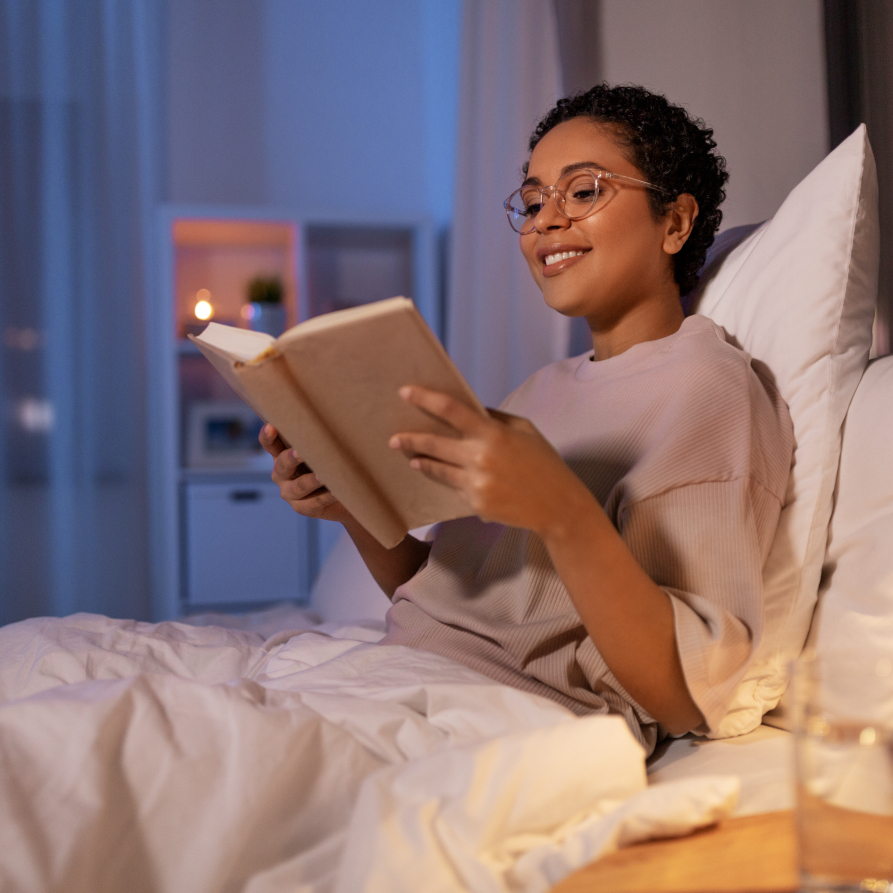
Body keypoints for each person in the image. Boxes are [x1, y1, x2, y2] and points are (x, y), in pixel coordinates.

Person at [259, 84, 793, 754]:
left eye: (583, 191)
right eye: (534, 200)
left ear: (674, 222)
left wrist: (561, 512)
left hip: (490, 719)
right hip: (393, 674)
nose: (544, 221)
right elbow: (443, 597)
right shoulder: (538, 390)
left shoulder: (707, 388)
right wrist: (352, 506)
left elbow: (685, 694)